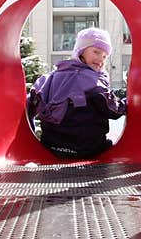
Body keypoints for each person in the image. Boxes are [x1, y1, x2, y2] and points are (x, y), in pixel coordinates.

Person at [27, 27, 127, 159]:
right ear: (80, 52)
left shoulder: (52, 77)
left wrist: (31, 135)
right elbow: (113, 110)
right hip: (87, 149)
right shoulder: (93, 81)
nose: (100, 59)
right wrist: (127, 103)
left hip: (52, 147)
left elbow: (31, 104)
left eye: (104, 56)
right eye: (96, 51)